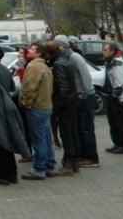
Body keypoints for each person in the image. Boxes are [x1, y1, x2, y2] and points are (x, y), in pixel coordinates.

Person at [56, 35, 99, 168]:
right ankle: (83, 155)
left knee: (86, 129)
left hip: (85, 97)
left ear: (62, 46)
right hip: (79, 96)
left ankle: (92, 158)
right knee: (80, 128)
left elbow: (85, 75)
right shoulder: (67, 58)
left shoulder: (74, 57)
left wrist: (84, 93)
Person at [20, 43, 57, 180]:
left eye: (32, 49)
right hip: (46, 106)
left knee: (39, 139)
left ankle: (39, 168)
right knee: (47, 139)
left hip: (37, 107)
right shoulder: (44, 66)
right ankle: (48, 165)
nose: (28, 50)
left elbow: (30, 87)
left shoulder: (34, 66)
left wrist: (26, 102)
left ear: (39, 53)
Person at [46, 38, 78, 175]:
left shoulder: (59, 64)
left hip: (66, 103)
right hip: (72, 100)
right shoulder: (65, 61)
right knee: (71, 133)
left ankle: (68, 163)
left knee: (67, 134)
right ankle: (73, 162)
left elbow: (63, 88)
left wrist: (57, 105)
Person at [102, 42, 123, 154]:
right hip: (110, 95)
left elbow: (119, 82)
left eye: (106, 50)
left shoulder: (117, 63)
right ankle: (117, 143)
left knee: (121, 121)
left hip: (118, 97)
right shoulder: (109, 63)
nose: (103, 52)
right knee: (113, 122)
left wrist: (114, 95)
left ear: (112, 51)